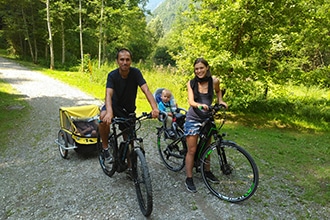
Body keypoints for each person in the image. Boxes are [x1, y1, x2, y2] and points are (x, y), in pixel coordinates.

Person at [99, 48, 159, 172]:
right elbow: (108, 95)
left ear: (131, 61)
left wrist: (154, 108)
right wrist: (109, 112)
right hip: (113, 106)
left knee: (130, 140)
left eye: (127, 60)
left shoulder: (136, 73)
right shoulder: (112, 75)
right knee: (103, 118)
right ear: (117, 61)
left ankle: (131, 169)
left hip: (128, 110)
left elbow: (146, 90)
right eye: (122, 59)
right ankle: (105, 148)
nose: (124, 62)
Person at [184, 58, 228, 193]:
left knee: (208, 147)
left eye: (201, 68)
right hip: (193, 118)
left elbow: (218, 91)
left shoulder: (214, 81)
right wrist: (199, 105)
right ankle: (189, 178)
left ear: (207, 68)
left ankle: (207, 171)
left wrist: (221, 101)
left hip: (208, 118)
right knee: (192, 150)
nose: (199, 71)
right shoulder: (191, 83)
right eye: (196, 69)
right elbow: (191, 101)